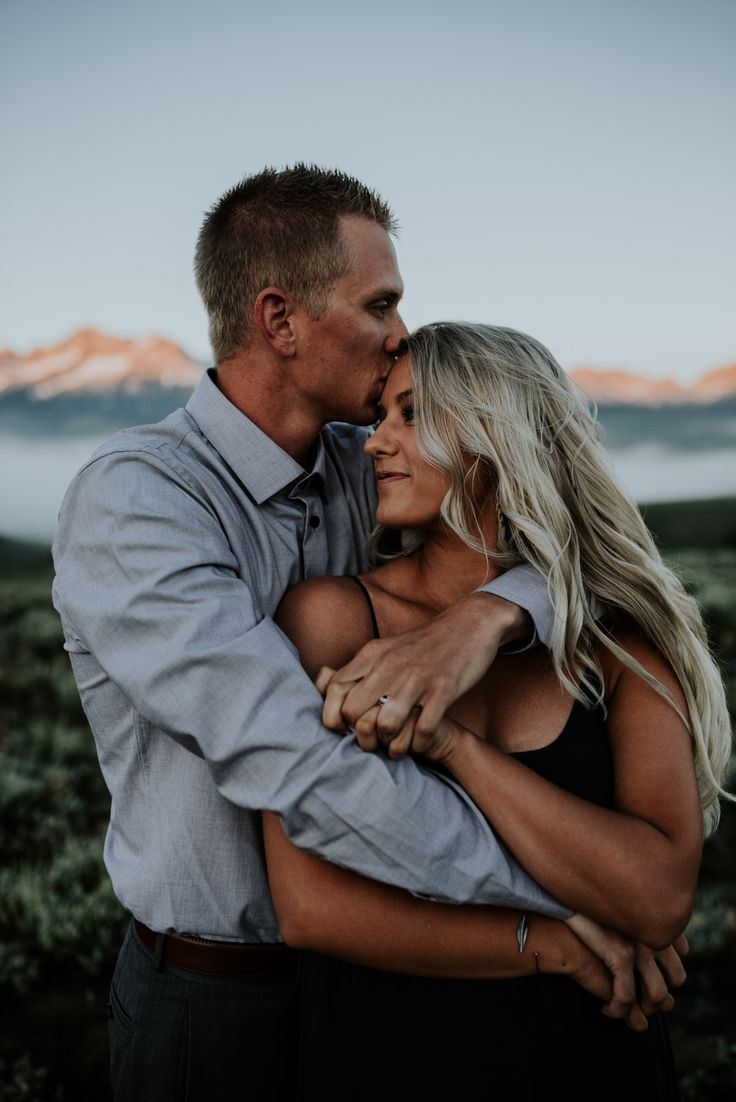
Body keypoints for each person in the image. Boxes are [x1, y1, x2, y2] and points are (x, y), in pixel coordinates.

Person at [51, 168, 608, 1102]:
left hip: (387, 981)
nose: (401, 335)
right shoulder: (138, 502)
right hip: (219, 998)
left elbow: (559, 526)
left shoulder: (373, 462)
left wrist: (494, 612)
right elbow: (300, 761)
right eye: (380, 303)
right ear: (279, 320)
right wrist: (578, 894)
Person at [264, 322, 732, 1100]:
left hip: (591, 1057)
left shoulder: (617, 642)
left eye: (411, 415)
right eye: (380, 416)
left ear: (495, 436)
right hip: (387, 1057)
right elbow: (311, 908)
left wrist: (454, 748)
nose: (375, 443)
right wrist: (544, 940)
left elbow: (656, 897)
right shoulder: (334, 619)